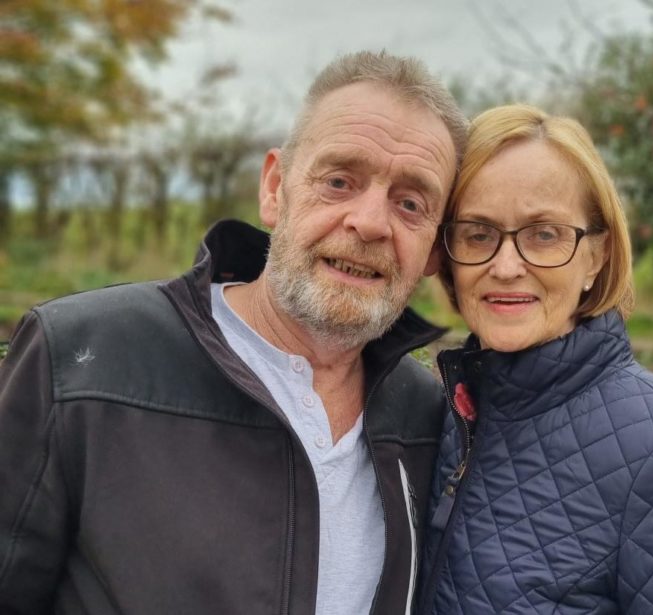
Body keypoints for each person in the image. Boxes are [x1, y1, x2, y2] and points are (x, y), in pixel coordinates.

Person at [0, 50, 467, 615]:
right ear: (275, 188)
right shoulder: (80, 358)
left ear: (434, 253)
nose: (369, 223)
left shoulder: (429, 418)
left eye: (410, 202)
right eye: (340, 181)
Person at [417, 104, 653, 614]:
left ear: (596, 255)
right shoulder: (441, 416)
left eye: (543, 234)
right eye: (479, 233)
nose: (507, 266)